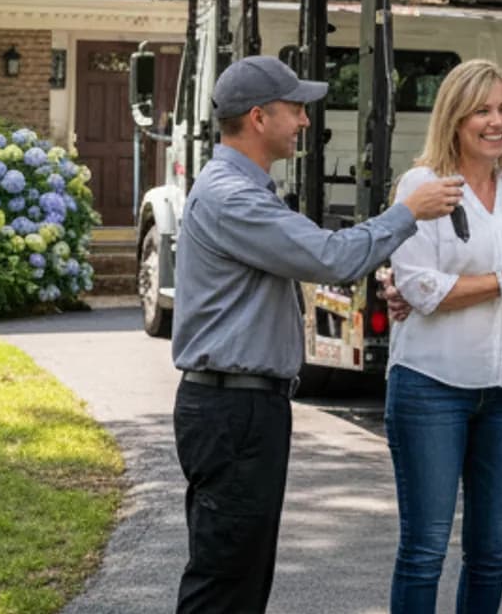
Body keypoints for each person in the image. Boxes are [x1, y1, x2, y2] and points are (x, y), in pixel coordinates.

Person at [171, 55, 463, 614]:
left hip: (241, 408)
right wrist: (407, 212)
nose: (306, 121)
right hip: (234, 412)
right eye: (296, 109)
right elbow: (329, 258)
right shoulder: (233, 198)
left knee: (241, 573)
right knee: (224, 576)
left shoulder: (235, 188)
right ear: (259, 117)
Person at [383, 59, 502, 613]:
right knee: (424, 549)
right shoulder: (425, 186)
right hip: (431, 388)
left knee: (491, 553)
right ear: (454, 119)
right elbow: (419, 289)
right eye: (481, 111)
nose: (497, 122)